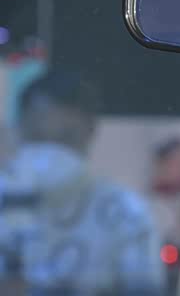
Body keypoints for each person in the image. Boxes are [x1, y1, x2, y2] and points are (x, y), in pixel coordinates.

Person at [0, 71, 166, 296]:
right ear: (19, 129)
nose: (50, 152)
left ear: (90, 132)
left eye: (65, 138)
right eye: (38, 137)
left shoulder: (125, 212)